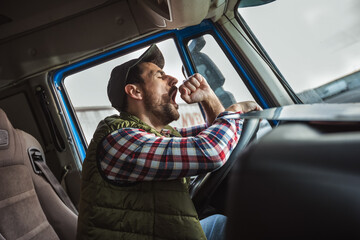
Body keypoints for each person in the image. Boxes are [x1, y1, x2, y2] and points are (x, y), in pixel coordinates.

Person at [77, 44, 261, 240]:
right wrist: (233, 111)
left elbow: (215, 133)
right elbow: (210, 151)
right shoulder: (119, 140)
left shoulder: (160, 134)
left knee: (228, 224)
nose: (173, 79)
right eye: (159, 76)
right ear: (135, 92)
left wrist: (208, 98)